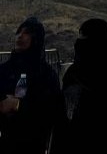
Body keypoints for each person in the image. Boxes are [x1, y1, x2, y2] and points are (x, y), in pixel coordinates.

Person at [54, 18, 107, 153]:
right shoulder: (73, 73)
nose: (79, 42)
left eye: (85, 37)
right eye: (80, 36)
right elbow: (64, 115)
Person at [0, 16, 64, 154]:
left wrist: (17, 105)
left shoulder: (45, 74)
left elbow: (51, 110)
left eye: (26, 33)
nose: (20, 36)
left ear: (36, 39)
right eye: (19, 32)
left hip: (34, 144)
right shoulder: (5, 70)